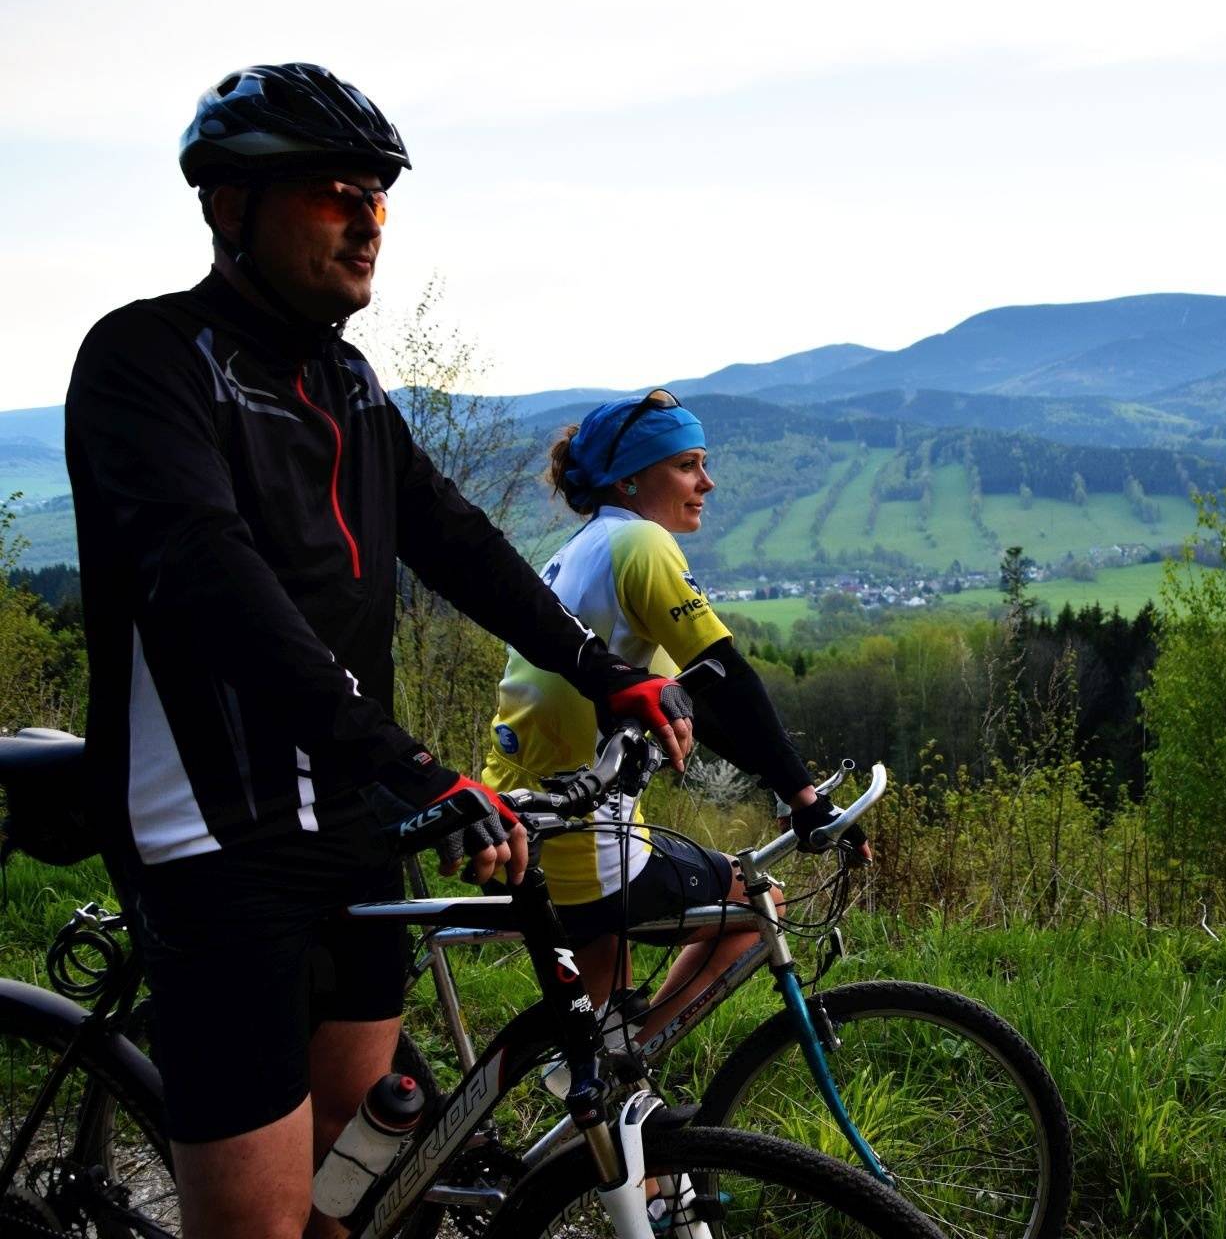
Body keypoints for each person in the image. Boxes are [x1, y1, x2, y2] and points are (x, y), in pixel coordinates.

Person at [64, 63, 693, 1239]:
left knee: (356, 1195)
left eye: (378, 198)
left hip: (353, 825)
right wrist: (405, 759)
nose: (366, 220)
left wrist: (604, 670)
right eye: (331, 194)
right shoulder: (145, 360)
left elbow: (451, 536)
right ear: (227, 205)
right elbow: (208, 578)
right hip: (215, 837)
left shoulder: (346, 381)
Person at [484, 391, 837, 1019]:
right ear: (628, 480)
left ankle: (608, 1088)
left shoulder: (580, 548)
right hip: (590, 839)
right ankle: (636, 1061)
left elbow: (698, 702)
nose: (708, 481)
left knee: (595, 1026)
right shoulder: (641, 543)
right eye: (687, 464)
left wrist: (787, 785)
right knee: (760, 905)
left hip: (534, 822)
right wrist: (807, 797)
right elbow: (728, 676)